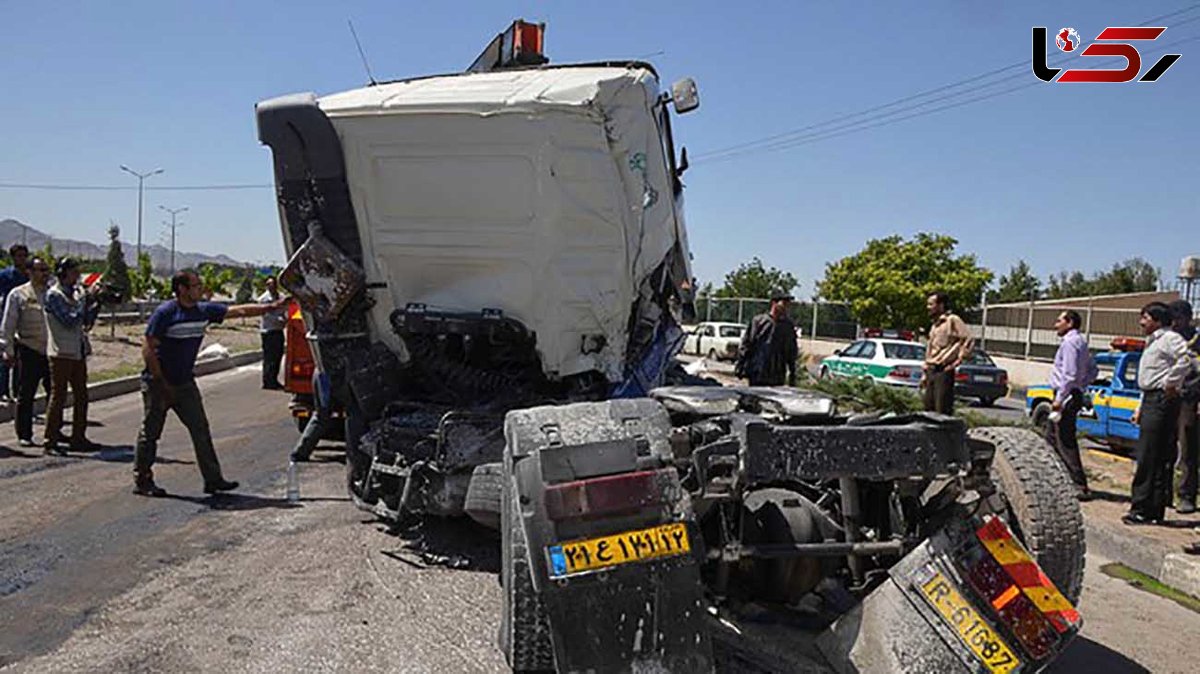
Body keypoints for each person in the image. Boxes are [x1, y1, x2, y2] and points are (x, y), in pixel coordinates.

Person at [133, 269, 289, 497]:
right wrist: (161, 383)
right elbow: (148, 346)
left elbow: (239, 310)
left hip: (185, 383)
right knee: (151, 432)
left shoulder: (202, 310)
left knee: (200, 430)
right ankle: (143, 479)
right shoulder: (166, 312)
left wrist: (271, 307)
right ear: (182, 289)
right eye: (195, 285)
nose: (200, 289)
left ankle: (213, 480)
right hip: (159, 383)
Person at [1124, 302, 1194, 526]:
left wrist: (1171, 383)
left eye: (1145, 317)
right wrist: (1140, 407)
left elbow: (1186, 359)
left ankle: (1143, 508)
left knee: (1149, 455)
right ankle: (1152, 508)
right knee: (1154, 455)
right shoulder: (1153, 342)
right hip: (1152, 399)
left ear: (1156, 319)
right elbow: (1148, 380)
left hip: (1162, 400)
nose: (1141, 322)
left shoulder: (1170, 339)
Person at [43, 257, 102, 455]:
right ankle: (50, 440)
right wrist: (85, 300)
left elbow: (84, 321)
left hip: (77, 351)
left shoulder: (75, 295)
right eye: (73, 271)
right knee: (58, 396)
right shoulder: (54, 295)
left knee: (81, 396)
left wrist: (96, 302)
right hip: (61, 353)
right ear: (63, 273)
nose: (77, 275)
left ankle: (78, 437)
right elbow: (69, 320)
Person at [0, 257, 53, 447]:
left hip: (51, 350)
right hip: (28, 349)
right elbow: (8, 323)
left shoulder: (53, 294)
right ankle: (24, 433)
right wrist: (7, 349)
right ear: (30, 272)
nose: (45, 273)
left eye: (47, 270)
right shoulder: (18, 294)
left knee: (55, 393)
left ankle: (53, 431)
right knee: (26, 394)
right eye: (41, 270)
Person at [1047, 310, 1099, 500]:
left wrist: (1060, 399)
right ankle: (1055, 479)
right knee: (1051, 439)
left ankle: (1079, 484)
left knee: (1065, 440)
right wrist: (1081, 385)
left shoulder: (1070, 343)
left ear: (1069, 323)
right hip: (1072, 393)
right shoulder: (1081, 342)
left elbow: (1068, 374)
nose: (1056, 325)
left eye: (1059, 320)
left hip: (1066, 396)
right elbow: (1093, 370)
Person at [1169, 299, 1199, 514]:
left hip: (1190, 398)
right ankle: (1162, 494)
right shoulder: (1167, 339)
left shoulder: (1197, 341)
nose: (1173, 323)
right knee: (1163, 447)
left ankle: (1186, 495)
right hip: (1167, 397)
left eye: (1176, 318)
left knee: (1188, 448)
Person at [922, 291, 974, 415]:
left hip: (943, 370)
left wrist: (958, 360)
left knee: (942, 411)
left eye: (931, 304)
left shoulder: (952, 320)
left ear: (941, 305)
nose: (928, 307)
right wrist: (924, 372)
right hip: (931, 370)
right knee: (928, 409)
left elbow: (968, 338)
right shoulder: (935, 325)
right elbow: (931, 349)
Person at [736, 292, 798, 386]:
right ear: (774, 303)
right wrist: (740, 366)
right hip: (758, 372)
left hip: (777, 375)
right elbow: (747, 344)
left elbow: (791, 351)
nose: (786, 307)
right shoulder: (758, 321)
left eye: (788, 304)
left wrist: (792, 374)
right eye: (784, 303)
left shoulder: (787, 326)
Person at [0, 244, 31, 402]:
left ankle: (18, 390)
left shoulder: (29, 276)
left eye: (23, 256)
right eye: (18, 256)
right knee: (5, 356)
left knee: (20, 358)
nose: (21, 259)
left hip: (25, 321)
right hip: (7, 319)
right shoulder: (5, 275)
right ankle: (3, 391)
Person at [290, 369, 333, 462]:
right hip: (330, 377)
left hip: (321, 374)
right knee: (355, 414)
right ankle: (357, 458)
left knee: (321, 416)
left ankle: (300, 452)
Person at [258, 276, 287, 390]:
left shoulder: (281, 297)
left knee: (278, 356)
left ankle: (273, 379)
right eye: (269, 284)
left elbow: (285, 310)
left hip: (278, 330)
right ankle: (268, 381)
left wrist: (285, 319)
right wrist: (281, 320)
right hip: (269, 331)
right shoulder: (264, 299)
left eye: (273, 284)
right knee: (269, 357)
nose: (271, 286)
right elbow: (267, 316)